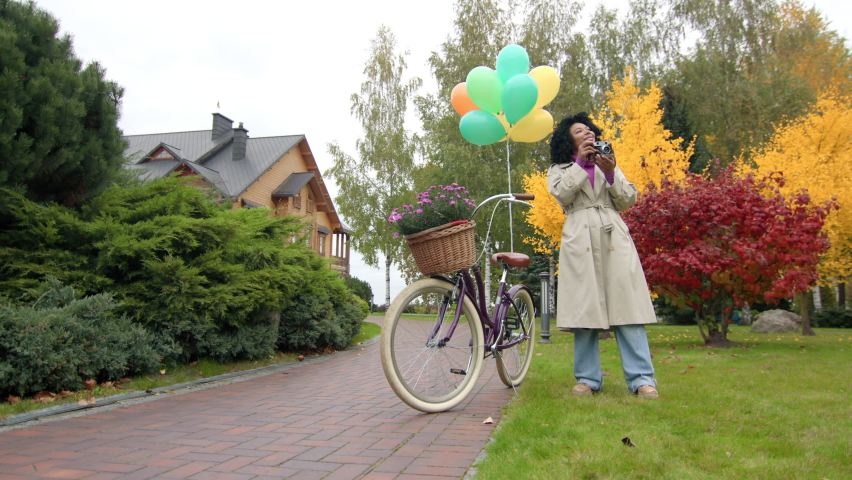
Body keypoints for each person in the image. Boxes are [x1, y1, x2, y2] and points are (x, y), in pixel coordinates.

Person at [547, 112, 659, 399]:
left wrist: (610, 172)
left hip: (613, 235)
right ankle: (587, 379)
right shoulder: (559, 168)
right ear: (567, 139)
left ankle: (642, 380)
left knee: (628, 306)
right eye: (579, 131)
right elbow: (562, 194)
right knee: (585, 308)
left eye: (589, 130)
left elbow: (627, 199)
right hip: (579, 236)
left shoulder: (606, 162)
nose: (587, 134)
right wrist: (582, 165)